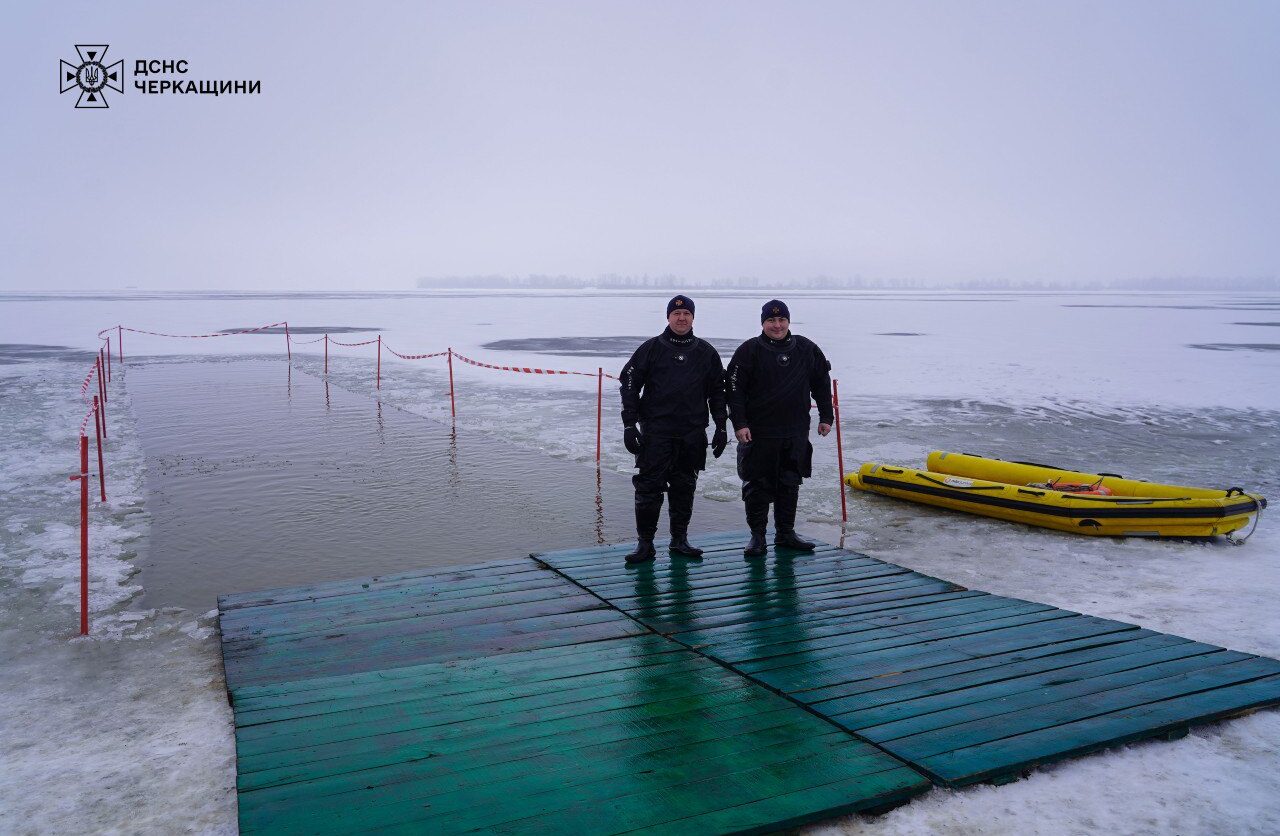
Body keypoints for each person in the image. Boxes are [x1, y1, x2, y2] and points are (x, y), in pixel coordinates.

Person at [619, 294, 729, 564]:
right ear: (668, 317)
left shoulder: (706, 352)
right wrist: (629, 424)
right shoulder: (652, 348)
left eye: (686, 314)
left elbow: (718, 391)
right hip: (656, 432)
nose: (681, 318)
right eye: (676, 314)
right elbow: (629, 384)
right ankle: (645, 544)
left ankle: (679, 540)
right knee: (649, 487)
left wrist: (721, 426)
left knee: (685, 486)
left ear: (693, 318)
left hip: (692, 433)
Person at [726, 299, 834, 558]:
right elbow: (734, 391)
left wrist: (826, 416)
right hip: (759, 432)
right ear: (763, 323)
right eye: (771, 320)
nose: (777, 325)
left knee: (790, 482)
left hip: (795, 431)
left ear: (788, 321)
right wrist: (739, 423)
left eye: (781, 320)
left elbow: (821, 383)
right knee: (757, 485)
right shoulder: (749, 350)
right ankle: (758, 536)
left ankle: (785, 533)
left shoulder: (806, 349)